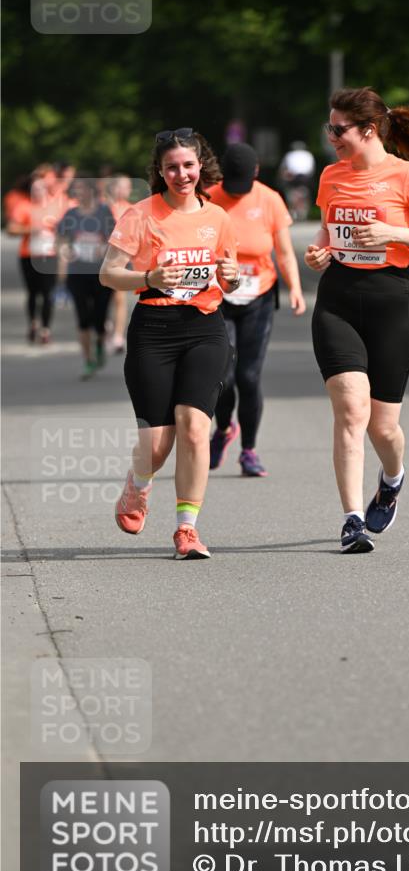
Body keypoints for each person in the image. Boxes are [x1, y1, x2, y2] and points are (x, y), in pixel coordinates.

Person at [305, 87, 409, 553]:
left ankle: (392, 478)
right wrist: (319, 251)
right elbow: (327, 229)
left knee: (383, 427)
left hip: (391, 299)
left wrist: (392, 231)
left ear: (368, 130)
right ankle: (352, 520)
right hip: (338, 298)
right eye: (329, 128)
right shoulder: (332, 175)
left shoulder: (408, 176)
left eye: (338, 129)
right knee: (351, 411)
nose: (331, 137)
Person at [99, 128, 240, 560]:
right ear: (160, 171)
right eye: (172, 167)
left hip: (205, 327)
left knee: (195, 426)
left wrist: (231, 278)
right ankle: (137, 487)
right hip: (153, 329)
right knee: (157, 446)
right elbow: (108, 273)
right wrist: (148, 278)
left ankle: (187, 529)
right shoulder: (142, 215)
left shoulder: (217, 218)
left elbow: (229, 276)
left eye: (188, 165)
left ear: (201, 166)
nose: (182, 174)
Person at [207, 143, 306, 476]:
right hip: (218, 296)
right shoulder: (208, 198)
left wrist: (294, 288)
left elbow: (285, 252)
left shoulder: (269, 200)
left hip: (259, 297)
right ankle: (223, 430)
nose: (236, 194)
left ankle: (249, 450)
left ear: (256, 174)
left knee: (248, 376)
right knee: (222, 376)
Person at [56, 177, 115, 379]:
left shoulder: (104, 212)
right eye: (76, 190)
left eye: (82, 189)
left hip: (101, 274)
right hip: (77, 273)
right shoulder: (70, 215)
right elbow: (62, 240)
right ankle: (88, 360)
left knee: (99, 318)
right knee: (82, 318)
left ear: (91, 191)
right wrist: (65, 254)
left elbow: (115, 239)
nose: (79, 193)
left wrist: (104, 249)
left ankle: (99, 342)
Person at [6, 166, 65, 344]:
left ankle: (45, 329)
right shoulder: (24, 206)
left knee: (48, 293)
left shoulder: (56, 207)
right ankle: (33, 322)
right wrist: (31, 229)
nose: (38, 192)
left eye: (41, 189)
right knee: (32, 292)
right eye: (35, 189)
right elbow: (11, 229)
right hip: (28, 255)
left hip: (49, 255)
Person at [105, 174, 134, 353]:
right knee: (102, 298)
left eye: (127, 186)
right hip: (101, 258)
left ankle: (118, 335)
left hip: (122, 258)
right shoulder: (104, 207)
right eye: (120, 186)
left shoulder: (132, 209)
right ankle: (106, 326)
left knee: (119, 298)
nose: (123, 190)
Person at [278, 140, 316, 221]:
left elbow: (283, 169)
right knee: (305, 193)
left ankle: (293, 210)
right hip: (306, 178)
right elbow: (312, 169)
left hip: (293, 178)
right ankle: (303, 209)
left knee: (290, 191)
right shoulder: (308, 155)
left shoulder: (289, 155)